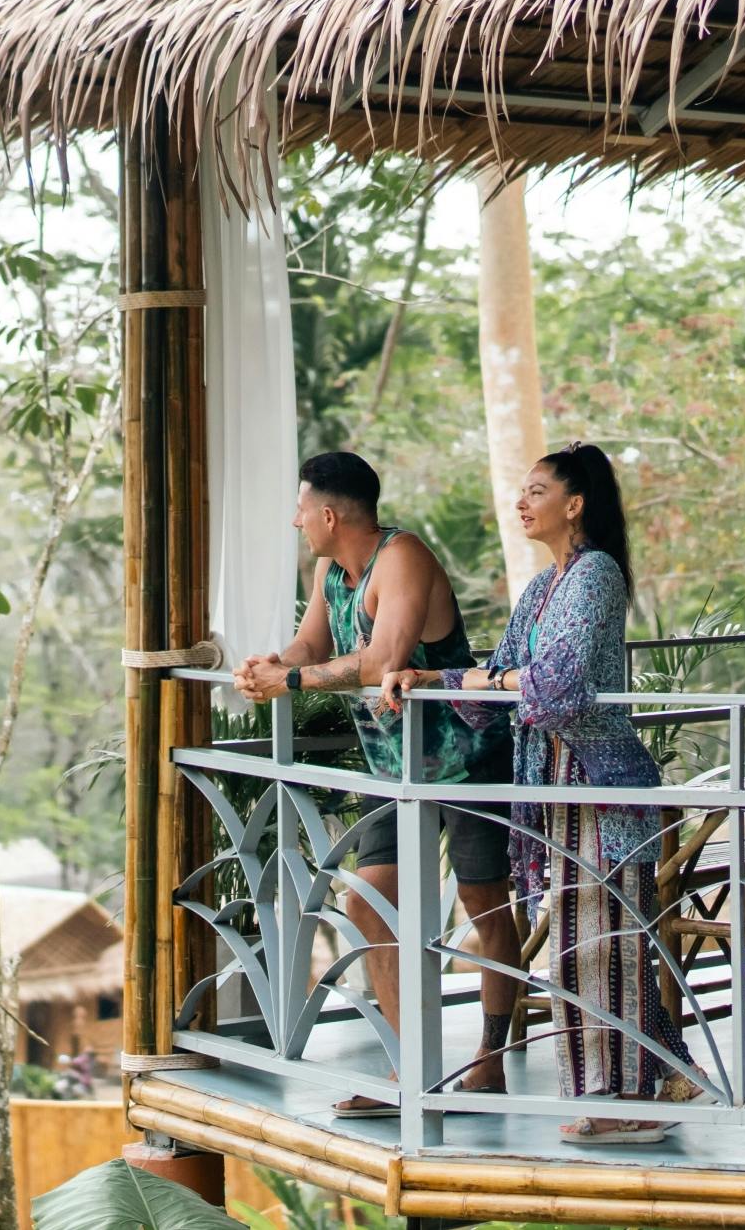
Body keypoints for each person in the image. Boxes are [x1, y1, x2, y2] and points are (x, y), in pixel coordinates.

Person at [382, 443, 693, 1145]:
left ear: (574, 504)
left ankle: (628, 1100)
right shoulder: (545, 585)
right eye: (522, 491)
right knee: (590, 944)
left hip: (601, 787)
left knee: (600, 947)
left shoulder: (595, 574)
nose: (521, 502)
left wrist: (493, 681)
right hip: (558, 787)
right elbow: (497, 676)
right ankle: (665, 1080)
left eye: (537, 490)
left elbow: (557, 686)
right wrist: (431, 679)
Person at [234, 451, 520, 1114]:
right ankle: (409, 1067)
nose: (296, 521)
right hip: (392, 764)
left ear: (329, 515)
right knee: (367, 902)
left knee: (484, 905)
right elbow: (311, 646)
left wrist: (291, 680)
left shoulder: (402, 557)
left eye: (301, 510)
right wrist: (270, 666)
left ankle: (490, 1058)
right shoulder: (329, 571)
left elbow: (383, 659)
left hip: (466, 756)